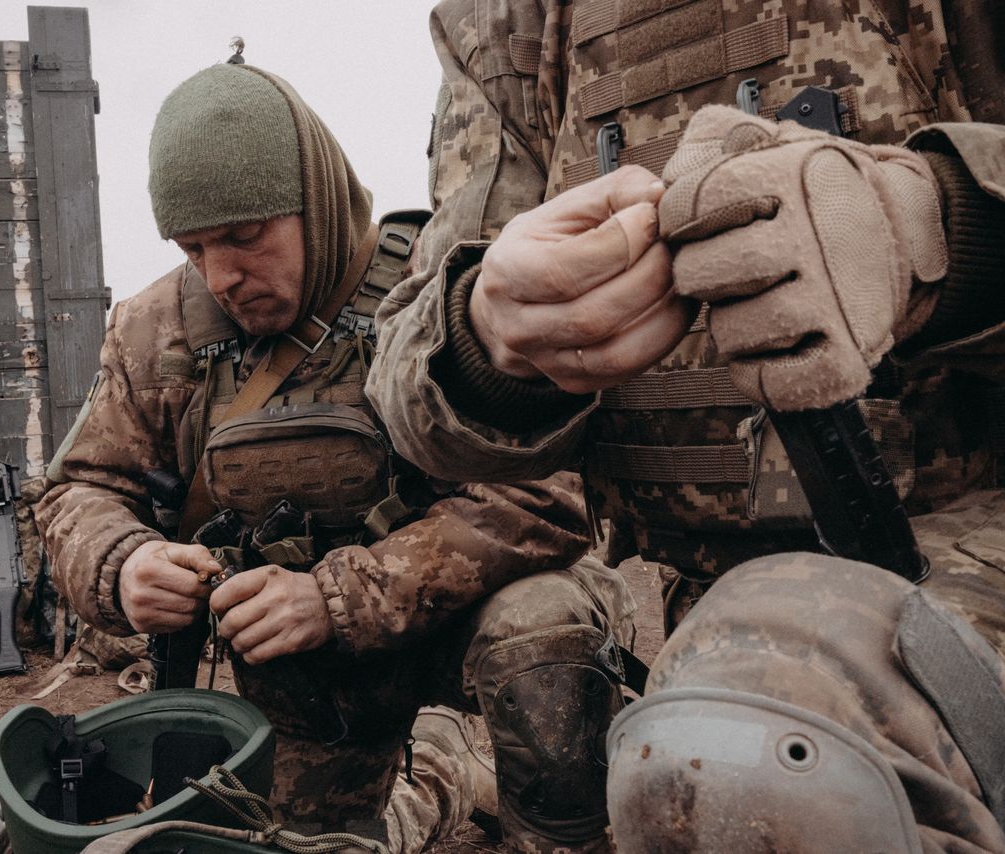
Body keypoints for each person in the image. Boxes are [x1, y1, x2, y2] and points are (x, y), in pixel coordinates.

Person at [366, 1, 1005, 851]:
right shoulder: (504, 20)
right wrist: (490, 340)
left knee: (769, 764)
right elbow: (408, 377)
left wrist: (935, 231)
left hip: (967, 541)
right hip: (702, 618)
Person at [34, 61, 641, 853]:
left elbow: (544, 498)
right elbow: (76, 490)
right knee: (324, 845)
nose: (222, 276)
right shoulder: (157, 333)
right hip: (301, 672)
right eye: (194, 248)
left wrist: (336, 597)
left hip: (460, 623)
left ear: (316, 204)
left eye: (247, 237)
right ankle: (447, 777)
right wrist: (122, 561)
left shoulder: (444, 293)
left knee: (543, 635)